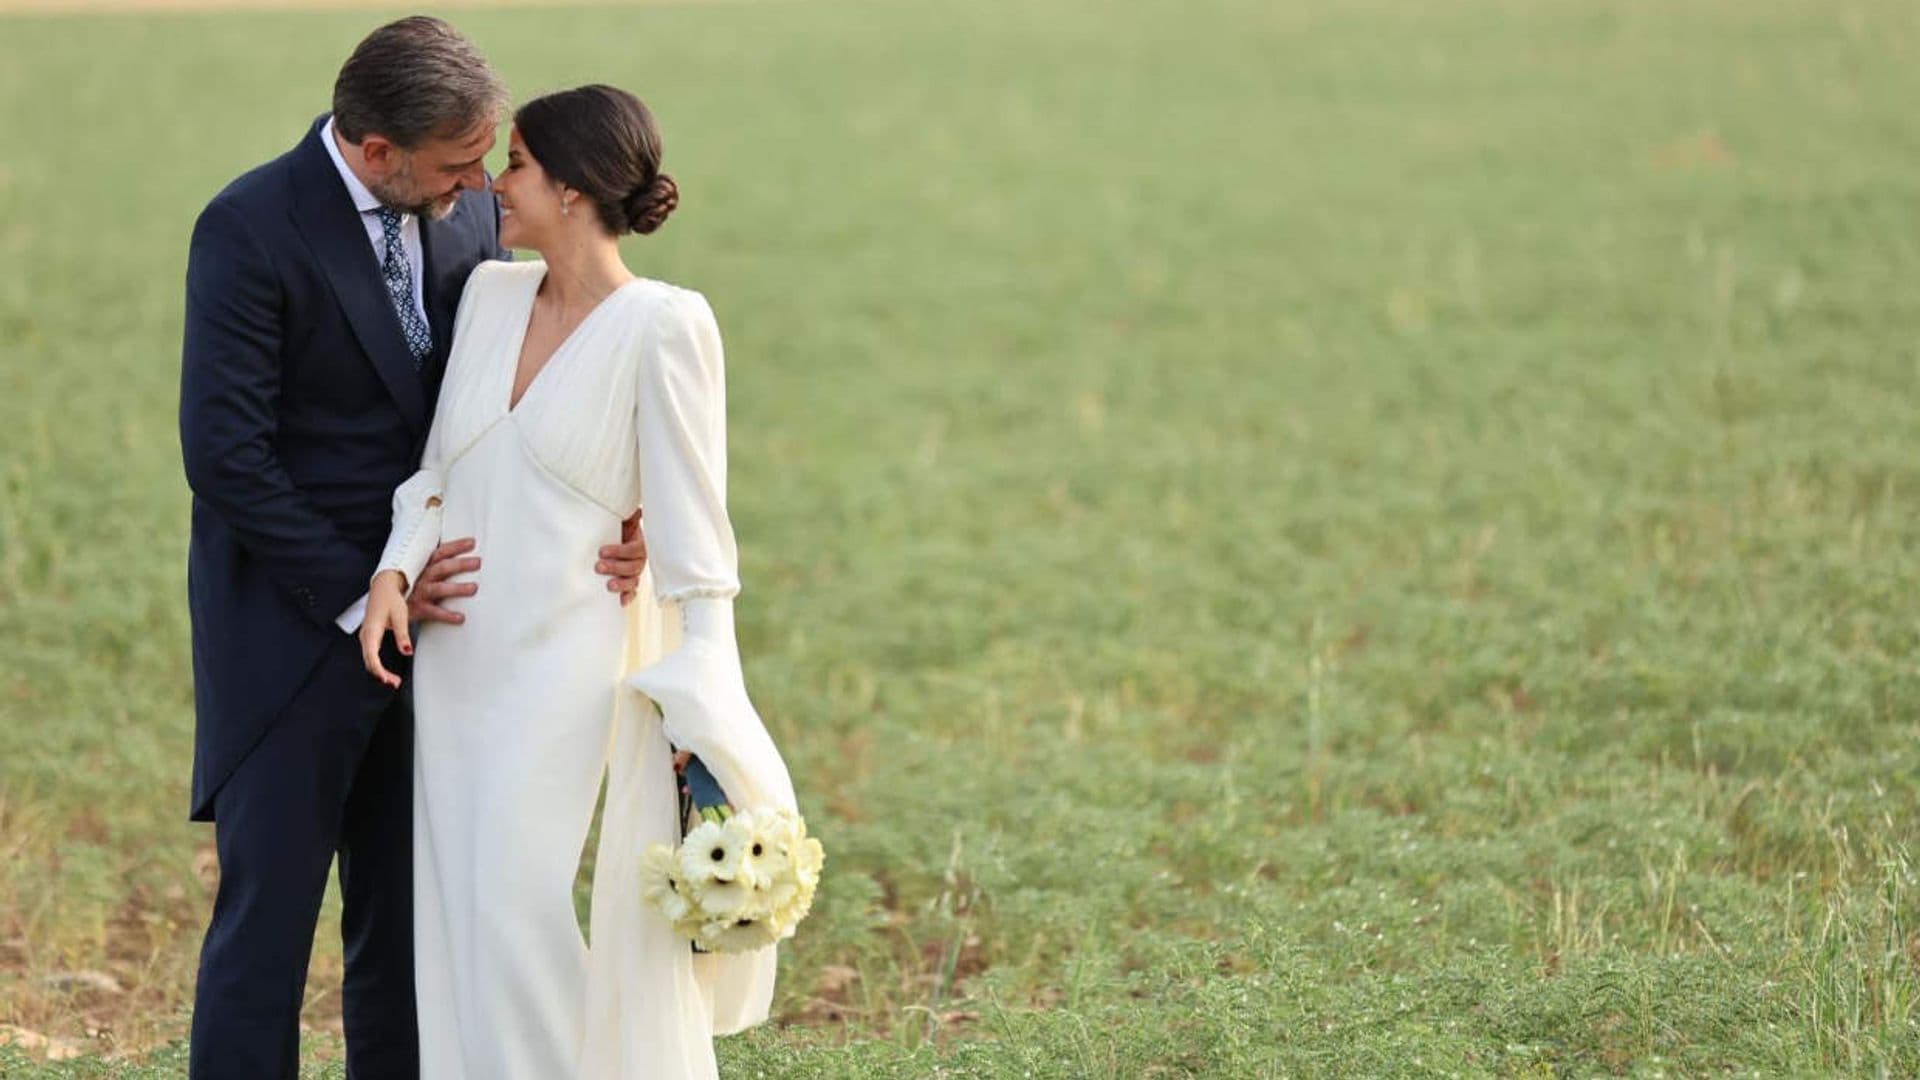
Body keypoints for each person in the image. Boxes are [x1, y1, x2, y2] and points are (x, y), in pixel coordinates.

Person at [176, 20, 647, 1079]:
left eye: (487, 161)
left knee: (408, 937)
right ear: (374, 149)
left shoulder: (467, 213)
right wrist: (367, 589)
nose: (480, 184)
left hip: (453, 639)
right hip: (290, 636)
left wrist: (633, 501)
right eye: (454, 164)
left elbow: (540, 373)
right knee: (267, 933)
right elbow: (225, 455)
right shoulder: (249, 227)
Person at [357, 85, 800, 1079]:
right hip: (456, 658)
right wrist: (393, 570)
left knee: (514, 905)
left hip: (564, 664)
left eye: (515, 166)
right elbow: (438, 471)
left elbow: (695, 535)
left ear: (575, 187)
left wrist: (706, 691)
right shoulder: (489, 295)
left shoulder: (667, 325)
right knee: (457, 915)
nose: (494, 186)